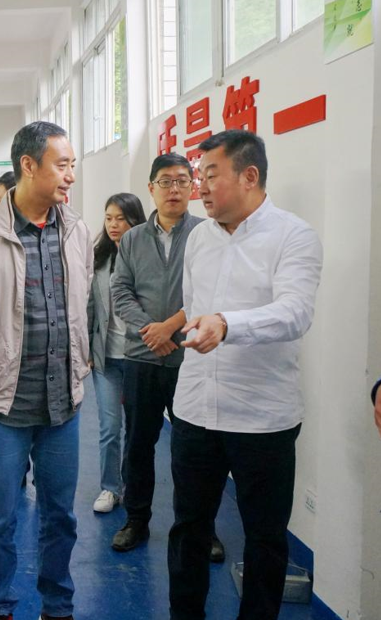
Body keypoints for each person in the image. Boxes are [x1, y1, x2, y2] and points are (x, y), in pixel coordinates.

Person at [0, 121, 92, 620]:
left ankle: (58, 606)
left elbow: (83, 304)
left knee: (60, 518)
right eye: (62, 165)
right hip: (3, 406)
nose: (71, 176)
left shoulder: (77, 231)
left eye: (72, 165)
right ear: (28, 165)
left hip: (63, 404)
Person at [168, 131, 322, 620]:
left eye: (211, 175)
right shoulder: (199, 238)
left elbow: (295, 312)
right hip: (195, 410)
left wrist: (228, 324)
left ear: (249, 176)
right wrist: (206, 323)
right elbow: (193, 304)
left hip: (262, 418)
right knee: (189, 529)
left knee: (265, 539)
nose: (200, 187)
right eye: (200, 176)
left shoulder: (293, 236)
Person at [109, 154, 225, 559]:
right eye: (165, 181)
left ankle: (201, 529)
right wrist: (151, 330)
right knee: (138, 445)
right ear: (151, 188)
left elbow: (211, 292)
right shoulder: (133, 239)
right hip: (141, 358)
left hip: (190, 356)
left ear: (192, 187)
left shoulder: (208, 233)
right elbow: (120, 291)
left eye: (181, 181)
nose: (174, 189)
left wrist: (170, 328)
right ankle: (136, 520)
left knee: (195, 450)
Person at [87, 193, 147, 513]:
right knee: (110, 428)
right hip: (106, 359)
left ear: (135, 220)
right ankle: (110, 488)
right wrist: (86, 347)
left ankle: (131, 486)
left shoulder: (148, 258)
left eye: (120, 218)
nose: (113, 224)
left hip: (140, 358)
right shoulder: (99, 259)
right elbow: (90, 306)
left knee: (136, 430)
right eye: (109, 218)